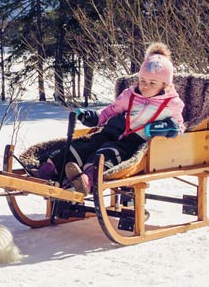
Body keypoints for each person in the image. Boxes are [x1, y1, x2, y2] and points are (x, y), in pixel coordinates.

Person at [37, 43, 186, 194]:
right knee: (82, 146)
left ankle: (86, 180)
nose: (145, 86)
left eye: (152, 83)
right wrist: (96, 117)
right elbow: (112, 110)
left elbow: (179, 126)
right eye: (142, 81)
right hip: (111, 131)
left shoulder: (171, 104)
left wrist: (169, 128)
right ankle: (48, 169)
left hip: (132, 142)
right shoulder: (130, 94)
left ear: (165, 84)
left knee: (105, 154)